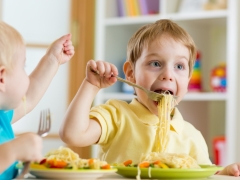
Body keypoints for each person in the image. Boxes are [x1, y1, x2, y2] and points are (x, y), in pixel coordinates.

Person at [59, 19, 239, 176]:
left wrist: (224, 173)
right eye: (155, 63)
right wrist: (91, 86)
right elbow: (72, 135)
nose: (168, 74)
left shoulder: (191, 135)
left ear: (189, 79)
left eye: (179, 66)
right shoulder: (116, 115)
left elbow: (205, 175)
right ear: (130, 73)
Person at [0, 21, 74, 179]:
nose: (25, 75)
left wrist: (52, 59)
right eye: (23, 66)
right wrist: (11, 151)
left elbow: (30, 97)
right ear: (2, 78)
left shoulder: (2, 116)